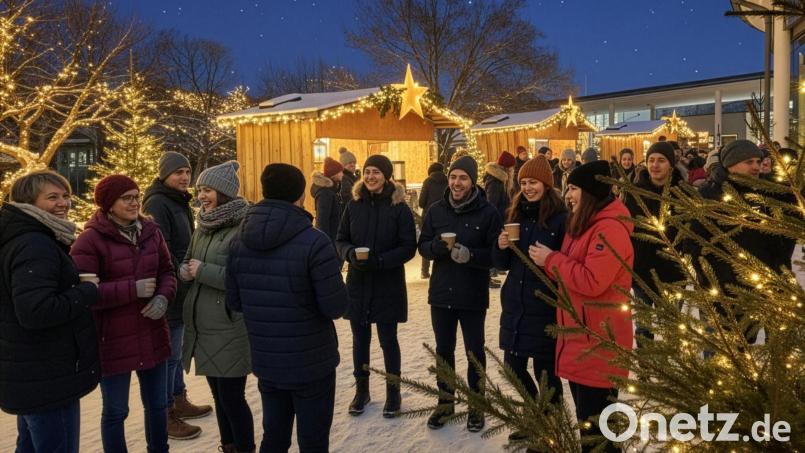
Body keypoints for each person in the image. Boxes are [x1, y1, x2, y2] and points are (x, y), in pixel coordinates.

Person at [226, 163, 348, 453]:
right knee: (313, 440)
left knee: (275, 436)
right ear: (300, 196)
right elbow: (335, 306)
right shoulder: (315, 242)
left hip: (267, 360)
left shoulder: (239, 240)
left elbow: (235, 301)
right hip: (312, 362)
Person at [529, 160, 634, 453]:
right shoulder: (584, 224)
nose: (568, 195)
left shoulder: (608, 230)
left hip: (598, 342)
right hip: (581, 339)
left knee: (597, 434)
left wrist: (551, 260)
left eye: (573, 188)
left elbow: (591, 281)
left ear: (590, 192)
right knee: (590, 426)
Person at [71, 175, 177, 453]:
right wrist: (132, 289)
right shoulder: (89, 240)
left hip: (152, 331)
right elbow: (85, 293)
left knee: (158, 405)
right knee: (116, 410)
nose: (134, 202)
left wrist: (164, 297)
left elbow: (167, 271)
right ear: (109, 203)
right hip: (112, 339)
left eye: (136, 196)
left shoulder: (151, 232)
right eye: (126, 198)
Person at [0, 171, 99, 453]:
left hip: (32, 372)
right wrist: (86, 291)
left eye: (66, 195)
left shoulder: (24, 236)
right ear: (28, 202)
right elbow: (35, 311)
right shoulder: (35, 243)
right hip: (46, 375)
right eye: (52, 197)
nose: (63, 203)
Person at [418, 156, 501, 432]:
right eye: (453, 177)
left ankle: (477, 405)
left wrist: (471, 256)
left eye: (463, 178)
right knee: (444, 351)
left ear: (472, 180)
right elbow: (423, 245)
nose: (456, 182)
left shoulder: (488, 213)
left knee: (474, 352)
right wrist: (436, 249)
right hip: (441, 294)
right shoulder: (436, 210)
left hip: (472, 295)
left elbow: (495, 256)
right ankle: (445, 404)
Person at [180, 161, 255, 453]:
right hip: (204, 326)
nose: (201, 196)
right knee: (218, 395)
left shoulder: (242, 227)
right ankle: (229, 446)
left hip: (230, 326)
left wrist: (202, 271)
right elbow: (188, 260)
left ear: (224, 193)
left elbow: (245, 278)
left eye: (207, 190)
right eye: (199, 190)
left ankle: (245, 447)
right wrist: (183, 271)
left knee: (233, 398)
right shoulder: (203, 225)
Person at [491, 157, 567, 441]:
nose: (528, 188)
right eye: (523, 183)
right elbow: (502, 264)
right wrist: (500, 247)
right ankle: (536, 417)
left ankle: (552, 428)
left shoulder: (560, 219)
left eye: (533, 182)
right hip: (515, 303)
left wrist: (550, 260)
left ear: (546, 185)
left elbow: (566, 262)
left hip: (545, 304)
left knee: (546, 373)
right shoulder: (515, 214)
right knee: (513, 367)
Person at [336, 154, 417, 418]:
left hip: (388, 283)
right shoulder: (353, 205)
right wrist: (349, 254)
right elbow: (341, 239)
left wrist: (381, 261)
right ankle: (362, 390)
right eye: (367, 172)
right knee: (360, 339)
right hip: (358, 282)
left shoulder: (400, 209)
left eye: (376, 173)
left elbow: (408, 247)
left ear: (386, 176)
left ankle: (393, 393)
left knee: (388, 340)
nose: (371, 177)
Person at [689, 140, 795, 340]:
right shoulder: (710, 194)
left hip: (770, 286)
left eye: (758, 161)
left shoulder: (769, 190)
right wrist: (710, 280)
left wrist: (781, 265)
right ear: (730, 164)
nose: (756, 166)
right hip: (728, 291)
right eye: (748, 162)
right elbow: (695, 242)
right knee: (733, 353)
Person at [142, 151, 211, 440]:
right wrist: (181, 269)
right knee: (170, 352)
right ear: (164, 175)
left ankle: (178, 397)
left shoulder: (177, 201)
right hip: (169, 286)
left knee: (178, 347)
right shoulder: (158, 202)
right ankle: (167, 412)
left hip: (181, 284)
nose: (184, 177)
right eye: (177, 173)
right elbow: (162, 246)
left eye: (186, 172)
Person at [622, 142, 685, 341]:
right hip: (642, 269)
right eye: (651, 160)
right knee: (643, 327)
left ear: (671, 165)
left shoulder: (682, 193)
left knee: (672, 326)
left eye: (661, 160)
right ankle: (645, 370)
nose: (655, 165)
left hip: (672, 270)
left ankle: (671, 368)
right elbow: (626, 227)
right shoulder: (635, 191)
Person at [485, 150, 516, 289]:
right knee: (491, 246)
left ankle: (492, 272)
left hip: (500, 219)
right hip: (496, 220)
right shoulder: (495, 182)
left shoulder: (500, 180)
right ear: (507, 168)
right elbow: (491, 204)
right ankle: (489, 276)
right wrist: (497, 220)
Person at [418, 162, 449, 279]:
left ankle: (424, 271)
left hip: (428, 217)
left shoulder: (427, 182)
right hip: (445, 216)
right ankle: (443, 269)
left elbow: (421, 202)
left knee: (427, 242)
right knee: (444, 242)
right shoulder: (447, 181)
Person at [311, 156, 344, 242]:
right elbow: (322, 222)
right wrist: (325, 244)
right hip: (330, 241)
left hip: (334, 237)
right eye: (340, 172)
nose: (342, 174)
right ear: (334, 174)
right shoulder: (325, 194)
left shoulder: (332, 190)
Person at [338, 147, 359, 215]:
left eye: (354, 162)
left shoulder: (350, 177)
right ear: (343, 165)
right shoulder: (344, 179)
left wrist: (358, 179)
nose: (353, 165)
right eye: (349, 163)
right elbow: (349, 198)